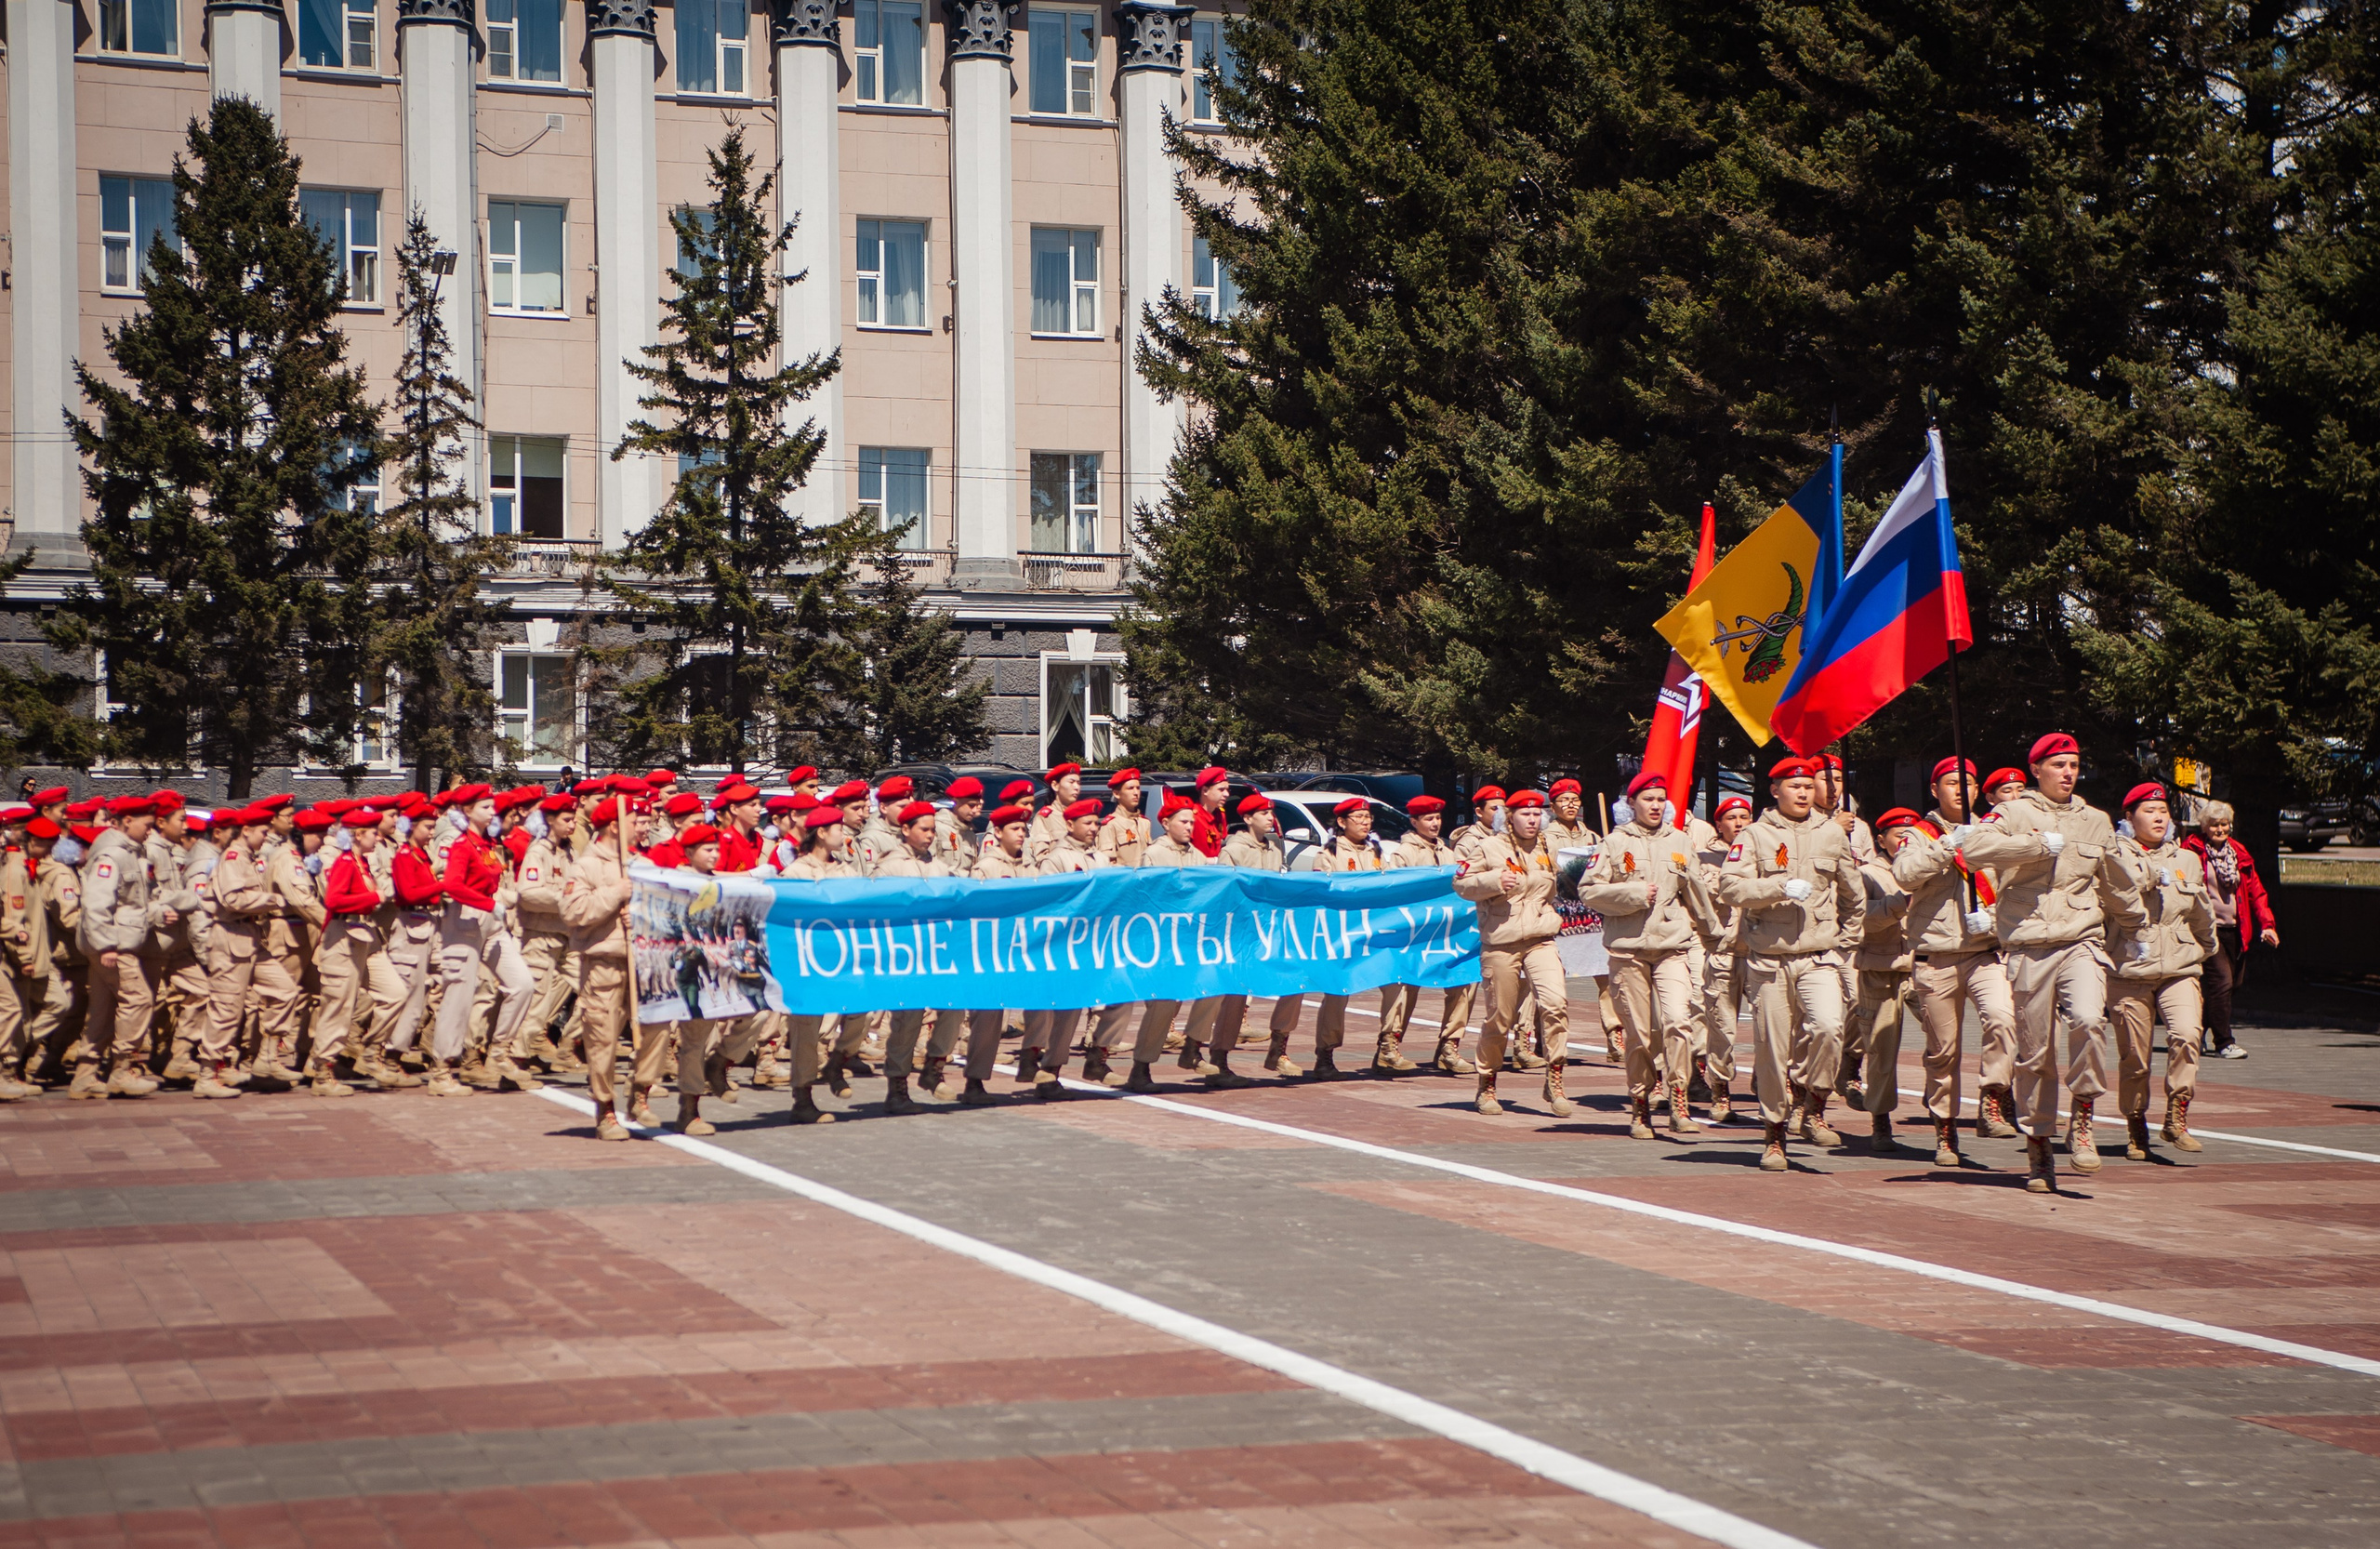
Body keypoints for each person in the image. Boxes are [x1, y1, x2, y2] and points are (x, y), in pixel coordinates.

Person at [1961, 734, 2147, 1192]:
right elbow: (1975, 850)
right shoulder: (2013, 812)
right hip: (2028, 945)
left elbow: (2117, 881)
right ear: (2037, 769)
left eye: (2075, 764)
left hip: (2080, 939)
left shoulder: (2096, 820)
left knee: (2087, 1019)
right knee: (2036, 1054)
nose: (2068, 772)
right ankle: (2039, 1141)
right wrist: (2037, 845)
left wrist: (2137, 927)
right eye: (2059, 764)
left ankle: (2082, 1114)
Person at [1716, 758, 1865, 1172]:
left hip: (1819, 956)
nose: (1802, 792)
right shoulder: (1754, 835)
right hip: (1769, 960)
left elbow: (1853, 891)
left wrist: (1848, 939)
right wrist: (1777, 886)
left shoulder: (1832, 834)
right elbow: (1730, 887)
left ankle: (1812, 1101)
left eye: (1806, 785)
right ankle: (1775, 1133)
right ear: (1775, 790)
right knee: (1771, 1050)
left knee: (1829, 1029)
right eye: (1793, 786)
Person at [1889, 758, 2017, 1166]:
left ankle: (1992, 1097)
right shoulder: (1917, 834)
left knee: (2003, 1019)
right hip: (1937, 956)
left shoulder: (1992, 831)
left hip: (1984, 951)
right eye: (1951, 783)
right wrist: (1948, 847)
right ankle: (1945, 1130)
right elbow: (1905, 875)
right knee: (1943, 1052)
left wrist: (1994, 919)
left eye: (1969, 784)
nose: (1961, 790)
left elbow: (2013, 890)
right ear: (1934, 790)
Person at [1580, 770, 1716, 1136]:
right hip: (1629, 950)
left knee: (1678, 1022)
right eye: (1648, 799)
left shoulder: (1681, 841)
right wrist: (1633, 894)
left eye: (1660, 799)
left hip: (1672, 946)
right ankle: (1640, 1106)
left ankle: (1679, 1102)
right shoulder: (1613, 842)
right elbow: (1588, 892)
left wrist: (1715, 934)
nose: (1655, 806)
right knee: (1640, 1034)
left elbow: (1698, 892)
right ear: (1631, 804)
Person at [2109, 784, 2216, 1157]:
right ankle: (2136, 1122)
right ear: (2129, 817)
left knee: (2187, 1034)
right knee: (2135, 1059)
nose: (2158, 817)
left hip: (2179, 966)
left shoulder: (2186, 859)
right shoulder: (2113, 856)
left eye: (2163, 811)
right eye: (2149, 810)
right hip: (2129, 968)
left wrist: (2205, 948)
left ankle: (2176, 1115)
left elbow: (2201, 910)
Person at [1454, 788, 1564, 1117]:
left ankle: (1555, 1079)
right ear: (1509, 817)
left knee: (1556, 1004)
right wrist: (1492, 879)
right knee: (1499, 1018)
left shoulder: (1549, 847)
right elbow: (1460, 883)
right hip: (1501, 940)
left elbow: (1565, 887)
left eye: (1536, 814)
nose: (1532, 819)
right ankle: (1487, 1081)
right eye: (1524, 814)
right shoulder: (1487, 847)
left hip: (1541, 938)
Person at [431, 785, 541, 1094]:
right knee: (458, 995)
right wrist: (489, 903)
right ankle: (442, 1071)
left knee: (522, 984)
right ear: (467, 811)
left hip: (490, 921)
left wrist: (499, 899)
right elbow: (452, 885)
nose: (494, 812)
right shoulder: (460, 843)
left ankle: (500, 1052)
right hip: (463, 921)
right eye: (486, 807)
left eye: (493, 806)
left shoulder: (485, 843)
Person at [1123, 795, 1222, 1092]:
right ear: (1165, 824)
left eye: (1192, 821)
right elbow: (1146, 896)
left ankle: (1193, 1047)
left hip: (1191, 941)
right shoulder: (1155, 854)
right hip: (1161, 943)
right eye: (1184, 821)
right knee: (1163, 1003)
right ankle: (1141, 1068)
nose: (1190, 827)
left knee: (1215, 985)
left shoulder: (1197, 857)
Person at [872, 799, 963, 1113]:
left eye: (933, 830)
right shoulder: (890, 867)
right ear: (906, 828)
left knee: (953, 1006)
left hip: (938, 952)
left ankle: (933, 1067)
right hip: (905, 954)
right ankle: (897, 1087)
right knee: (907, 1020)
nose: (929, 835)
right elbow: (880, 910)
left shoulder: (939, 868)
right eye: (924, 829)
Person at [1376, 794, 1476, 1075]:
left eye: (1438, 818)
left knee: (1463, 981)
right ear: (1414, 821)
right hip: (1413, 935)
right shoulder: (1403, 854)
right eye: (1428, 819)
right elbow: (1392, 891)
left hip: (1445, 935)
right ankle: (1389, 1046)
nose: (1435, 824)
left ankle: (1449, 1046)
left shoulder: (1448, 854)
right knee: (1405, 987)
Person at [73, 797, 165, 1100]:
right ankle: (122, 1070)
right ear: (127, 822)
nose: (150, 831)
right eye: (147, 825)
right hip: (111, 946)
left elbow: (131, 904)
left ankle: (85, 1076)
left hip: (110, 944)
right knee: (138, 999)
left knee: (102, 1009)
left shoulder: (127, 853)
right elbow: (97, 903)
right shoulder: (113, 855)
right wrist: (107, 945)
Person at [562, 797, 642, 1140]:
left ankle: (640, 1094)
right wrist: (614, 895)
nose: (645, 825)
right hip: (603, 964)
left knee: (652, 1034)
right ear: (615, 825)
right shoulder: (587, 866)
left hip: (641, 963)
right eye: (637, 820)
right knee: (603, 1040)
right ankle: (605, 1109)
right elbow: (573, 912)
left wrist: (638, 913)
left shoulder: (642, 863)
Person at [1019, 797, 1107, 1090]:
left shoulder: (1101, 858)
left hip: (1093, 943)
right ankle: (1045, 1065)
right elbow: (1048, 902)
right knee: (1059, 1008)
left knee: (1100, 1003)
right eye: (1088, 823)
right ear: (1070, 825)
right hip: (1062, 944)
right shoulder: (1056, 858)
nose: (1094, 828)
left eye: (1096, 823)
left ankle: (1083, 1060)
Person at [1846, 809, 1920, 1155]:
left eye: (1911, 833)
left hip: (1924, 965)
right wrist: (1897, 905)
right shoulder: (1867, 874)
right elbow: (1860, 920)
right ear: (1880, 839)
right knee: (1881, 1048)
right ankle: (1880, 1120)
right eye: (1897, 834)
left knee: (1943, 1046)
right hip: (1882, 967)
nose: (1904, 840)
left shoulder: (1926, 867)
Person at [2181, 801, 2276, 1060]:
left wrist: (2267, 925)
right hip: (2206, 930)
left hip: (2236, 929)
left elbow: (2256, 892)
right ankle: (2224, 1042)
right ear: (2205, 827)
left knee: (2232, 984)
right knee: (2221, 982)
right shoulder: (2191, 850)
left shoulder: (2238, 852)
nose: (2220, 829)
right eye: (2214, 824)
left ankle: (2195, 1032)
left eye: (2224, 824)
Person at [1216, 793, 1301, 1081]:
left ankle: (1279, 1048)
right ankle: (1220, 1057)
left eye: (1270, 813)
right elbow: (1225, 891)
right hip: (1242, 933)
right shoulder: (1234, 850)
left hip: (1272, 929)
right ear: (1248, 818)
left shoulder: (1275, 850)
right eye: (1262, 813)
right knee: (1236, 994)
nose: (1269, 817)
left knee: (1295, 982)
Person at [1307, 796, 1384, 1079]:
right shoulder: (1328, 853)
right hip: (1341, 933)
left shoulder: (1376, 852)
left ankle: (1389, 1046)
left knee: (1396, 983)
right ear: (1341, 822)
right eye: (1358, 818)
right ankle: (1325, 1054)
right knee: (1338, 991)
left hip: (1375, 931)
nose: (1365, 823)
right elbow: (1323, 892)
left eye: (1368, 818)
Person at [1691, 795, 1752, 1123]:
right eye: (1732, 818)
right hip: (1724, 953)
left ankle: (1771, 1082)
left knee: (1774, 1027)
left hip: (1761, 952)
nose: (1739, 823)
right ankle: (1720, 1090)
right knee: (1722, 1028)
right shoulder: (1705, 859)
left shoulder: (1764, 854)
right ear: (1718, 825)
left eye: (1744, 816)